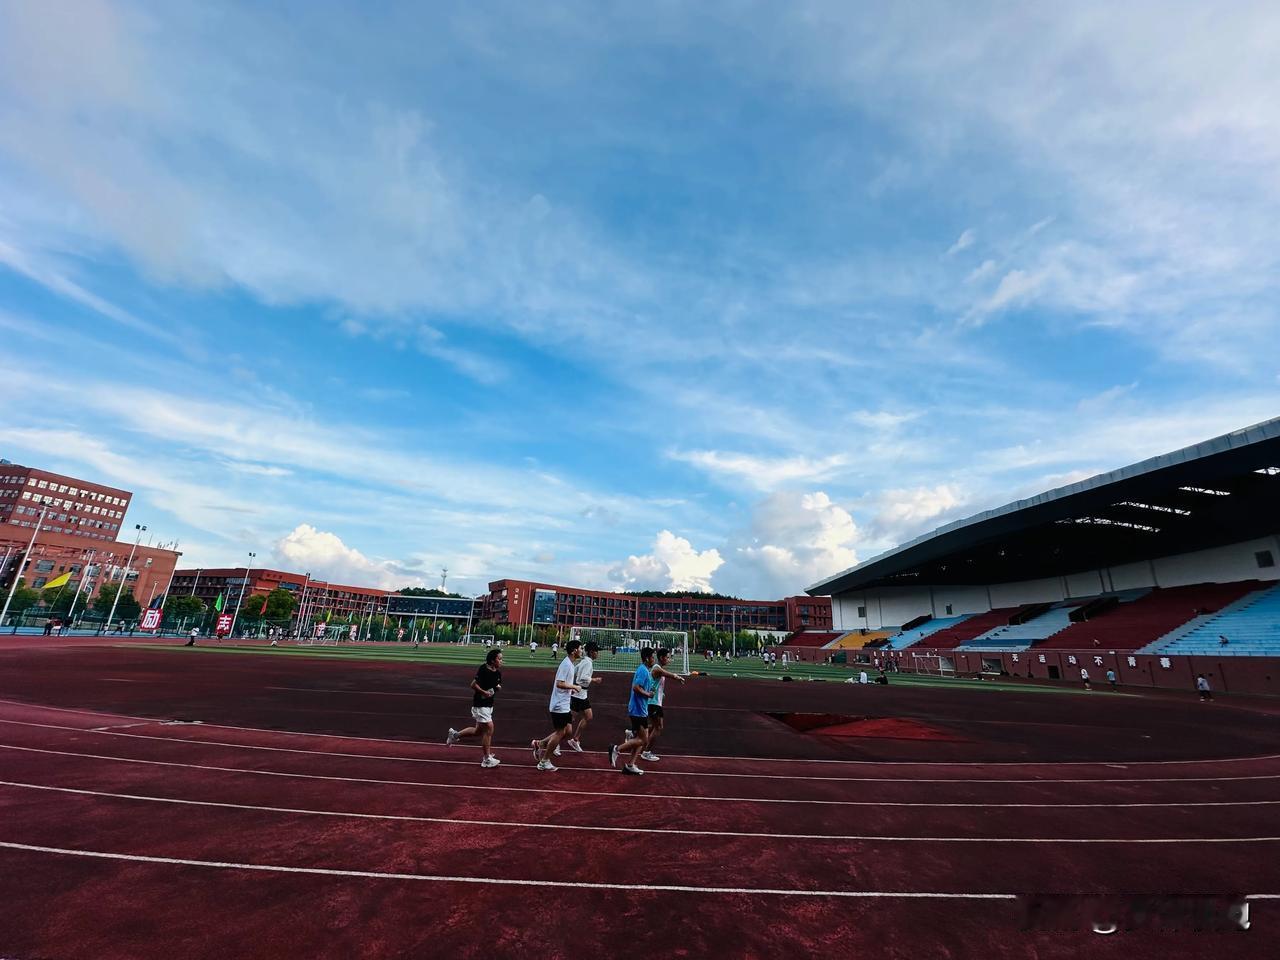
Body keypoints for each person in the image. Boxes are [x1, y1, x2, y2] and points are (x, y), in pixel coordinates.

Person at [532, 640, 583, 771]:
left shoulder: (570, 664)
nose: (582, 651)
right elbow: (559, 683)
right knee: (560, 732)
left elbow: (563, 684)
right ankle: (544, 761)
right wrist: (574, 687)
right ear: (574, 651)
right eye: (580, 648)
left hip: (564, 704)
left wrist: (570, 689)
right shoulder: (566, 664)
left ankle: (541, 743)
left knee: (568, 731)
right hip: (559, 704)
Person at [447, 648, 503, 767]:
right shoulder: (483, 669)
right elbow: (473, 685)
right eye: (499, 659)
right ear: (493, 660)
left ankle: (455, 735)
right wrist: (483, 692)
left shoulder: (497, 672)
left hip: (489, 704)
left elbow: (496, 684)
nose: (501, 661)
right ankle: (486, 759)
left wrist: (497, 687)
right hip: (480, 704)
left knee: (478, 731)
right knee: (489, 728)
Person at [610, 647, 656, 776]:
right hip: (637, 710)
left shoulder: (645, 670)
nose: (654, 659)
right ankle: (616, 749)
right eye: (653, 657)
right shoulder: (643, 670)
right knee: (643, 740)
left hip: (641, 709)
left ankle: (630, 765)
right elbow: (636, 687)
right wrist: (648, 694)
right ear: (647, 658)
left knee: (641, 739)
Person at [643, 647, 687, 762]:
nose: (668, 659)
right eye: (667, 657)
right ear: (661, 658)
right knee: (659, 727)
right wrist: (677, 677)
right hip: (653, 703)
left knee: (653, 726)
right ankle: (646, 752)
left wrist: (661, 693)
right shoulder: (657, 668)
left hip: (655, 702)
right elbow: (666, 674)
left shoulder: (657, 668)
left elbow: (655, 684)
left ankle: (633, 734)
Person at [565, 640, 602, 752]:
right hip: (579, 695)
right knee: (569, 720)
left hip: (581, 694)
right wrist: (594, 679)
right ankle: (557, 742)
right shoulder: (588, 663)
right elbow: (581, 678)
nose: (597, 654)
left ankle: (575, 740)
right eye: (596, 651)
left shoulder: (584, 661)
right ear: (591, 652)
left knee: (587, 716)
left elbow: (575, 671)